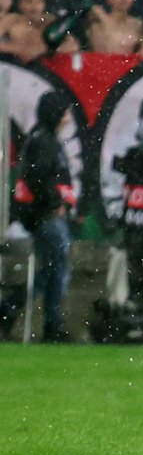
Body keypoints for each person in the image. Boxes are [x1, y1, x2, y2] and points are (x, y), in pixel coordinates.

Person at [0, 90, 75, 341]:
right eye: (64, 112)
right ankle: (48, 322)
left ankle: (19, 312)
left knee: (54, 269)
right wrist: (56, 203)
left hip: (45, 215)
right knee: (56, 269)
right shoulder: (44, 142)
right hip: (46, 216)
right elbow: (38, 178)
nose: (67, 118)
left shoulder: (42, 138)